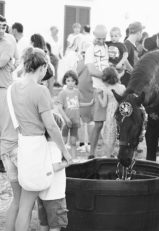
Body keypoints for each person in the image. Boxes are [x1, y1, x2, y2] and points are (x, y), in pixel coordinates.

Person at [9, 47, 71, 231]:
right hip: (37, 146)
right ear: (43, 67)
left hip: (23, 143)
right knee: (28, 205)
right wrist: (65, 152)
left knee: (25, 204)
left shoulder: (14, 87)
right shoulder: (41, 91)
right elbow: (51, 126)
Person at [0, 14, 16, 173]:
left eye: (3, 26)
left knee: (6, 127)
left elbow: (1, 63)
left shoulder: (8, 44)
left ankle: (9, 159)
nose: (1, 30)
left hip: (2, 89)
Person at [38, 112, 69, 231]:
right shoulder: (55, 146)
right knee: (56, 225)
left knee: (43, 224)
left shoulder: (42, 145)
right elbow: (55, 167)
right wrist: (67, 163)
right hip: (55, 195)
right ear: (58, 129)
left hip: (42, 193)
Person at [84, 24, 109, 159]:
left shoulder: (108, 46)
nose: (101, 41)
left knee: (112, 124)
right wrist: (109, 77)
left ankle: (109, 152)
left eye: (103, 38)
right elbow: (92, 71)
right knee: (98, 123)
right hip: (99, 88)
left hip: (111, 89)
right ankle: (92, 153)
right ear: (94, 35)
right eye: (98, 38)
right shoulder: (90, 49)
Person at [56, 70, 94, 159]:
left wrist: (89, 104)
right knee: (64, 141)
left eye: (72, 81)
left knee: (73, 141)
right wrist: (66, 119)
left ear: (75, 81)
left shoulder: (77, 92)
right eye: (68, 81)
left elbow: (78, 104)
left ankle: (74, 159)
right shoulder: (63, 93)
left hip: (75, 121)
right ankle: (60, 158)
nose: (70, 83)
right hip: (66, 122)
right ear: (65, 81)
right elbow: (59, 108)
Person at [101, 67, 125, 157]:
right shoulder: (122, 87)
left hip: (111, 113)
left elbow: (103, 104)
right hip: (121, 112)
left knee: (109, 134)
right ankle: (119, 153)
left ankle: (109, 154)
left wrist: (98, 96)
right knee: (120, 132)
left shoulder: (106, 89)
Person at [122, 21, 144, 86]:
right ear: (138, 32)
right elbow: (124, 59)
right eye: (141, 32)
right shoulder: (127, 43)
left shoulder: (131, 44)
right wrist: (132, 71)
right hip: (126, 81)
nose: (141, 35)